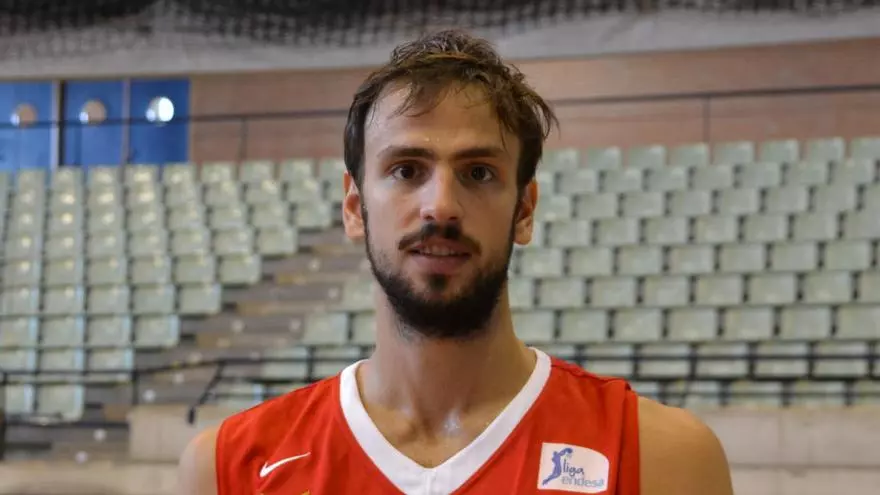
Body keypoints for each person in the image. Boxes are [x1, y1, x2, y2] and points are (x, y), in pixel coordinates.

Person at [178, 29, 734, 495]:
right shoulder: (228, 470)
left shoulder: (662, 459)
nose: (440, 205)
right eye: (406, 170)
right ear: (353, 207)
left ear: (524, 210)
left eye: (478, 173)